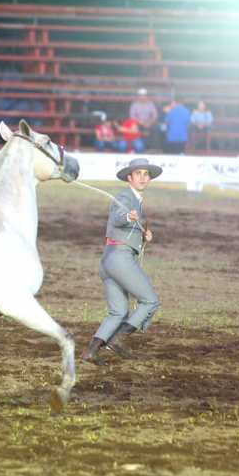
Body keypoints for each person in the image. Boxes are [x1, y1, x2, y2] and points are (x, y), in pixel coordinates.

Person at [81, 157, 161, 367]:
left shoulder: (135, 200)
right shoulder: (126, 196)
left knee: (118, 311)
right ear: (130, 177)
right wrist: (128, 216)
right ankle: (118, 339)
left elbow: (122, 226)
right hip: (119, 259)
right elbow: (118, 216)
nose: (143, 178)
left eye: (146, 174)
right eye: (138, 174)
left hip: (108, 259)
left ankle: (91, 352)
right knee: (150, 301)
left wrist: (143, 236)